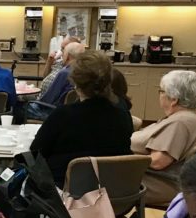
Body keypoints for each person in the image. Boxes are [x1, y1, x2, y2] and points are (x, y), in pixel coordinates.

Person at [30, 50, 132, 188]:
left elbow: (35, 154)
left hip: (62, 196)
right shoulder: (123, 116)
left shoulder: (63, 115)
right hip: (112, 195)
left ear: (75, 83)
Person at [131, 70, 196, 207]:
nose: (160, 95)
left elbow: (158, 162)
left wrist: (122, 158)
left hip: (157, 182)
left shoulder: (179, 123)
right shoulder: (191, 116)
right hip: (164, 180)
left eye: (161, 91)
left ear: (173, 99)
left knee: (93, 181)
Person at [25, 41, 86, 121]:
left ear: (68, 56)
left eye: (63, 53)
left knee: (18, 107)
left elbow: (47, 100)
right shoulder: (83, 72)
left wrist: (31, 99)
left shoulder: (64, 73)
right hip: (72, 113)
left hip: (52, 113)